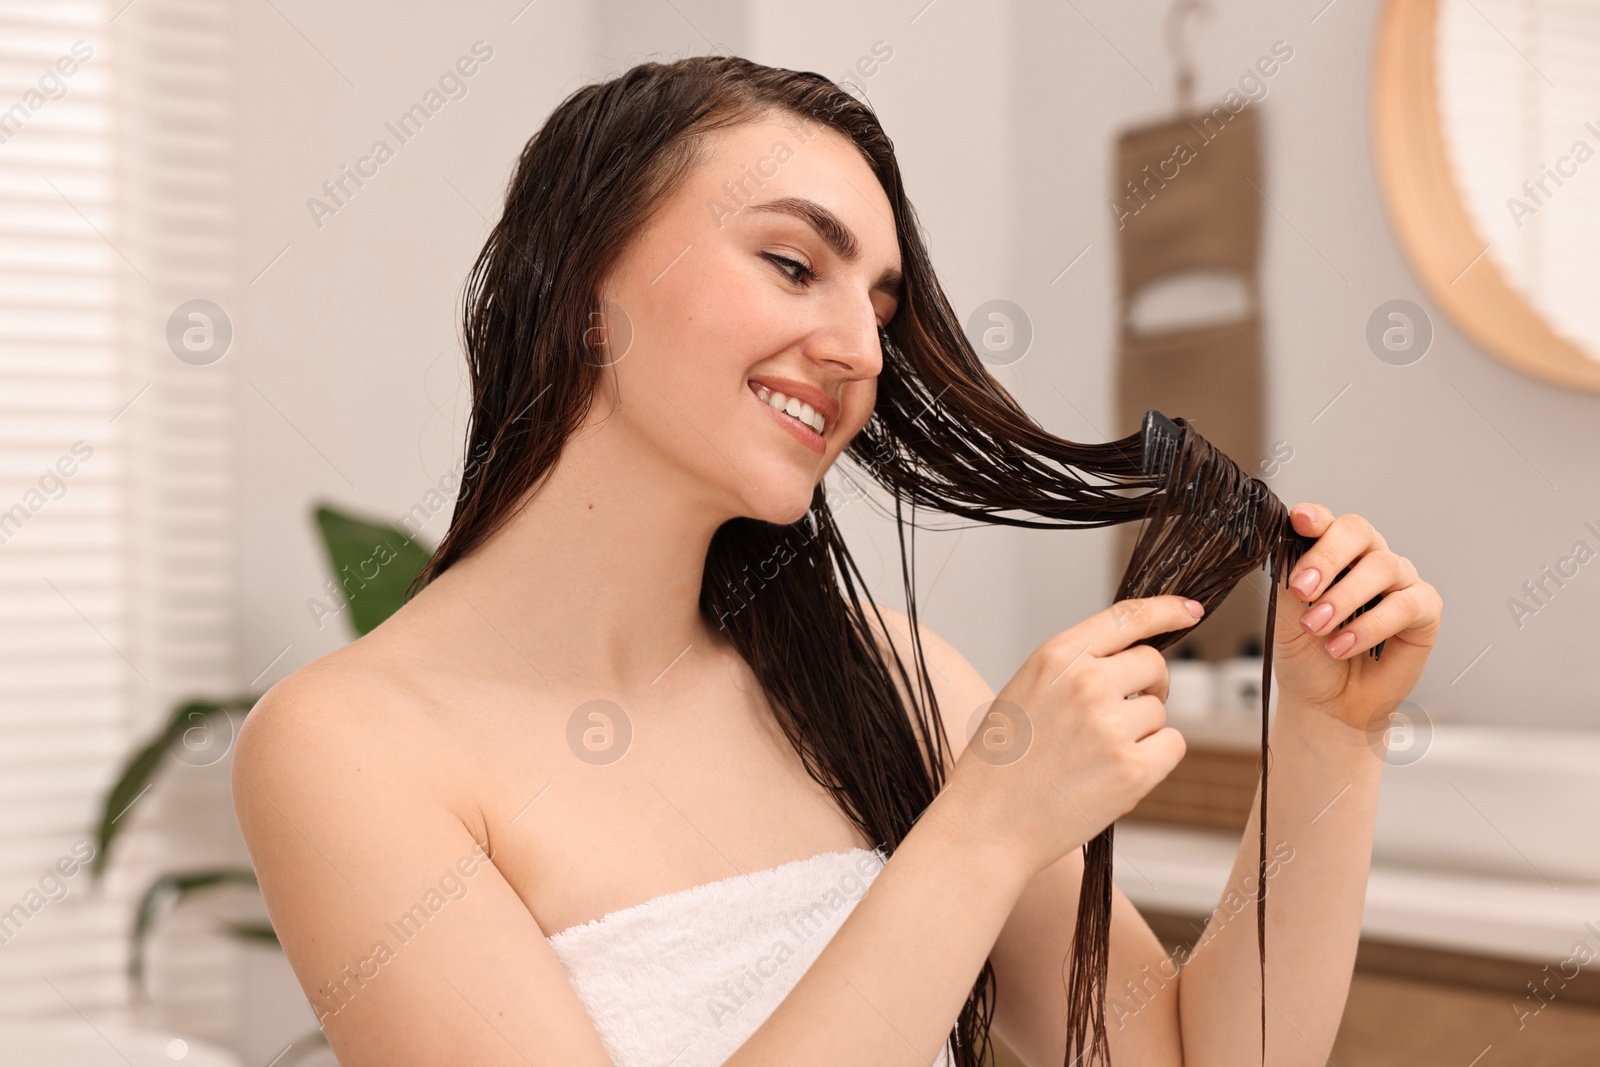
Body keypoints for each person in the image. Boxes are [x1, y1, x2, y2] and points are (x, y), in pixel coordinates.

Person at [231, 55, 1442, 1067]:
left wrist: (1332, 738)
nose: (860, 345)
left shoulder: (889, 675)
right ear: (586, 286)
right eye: (794, 264)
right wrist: (979, 831)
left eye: (879, 302)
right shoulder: (345, 747)